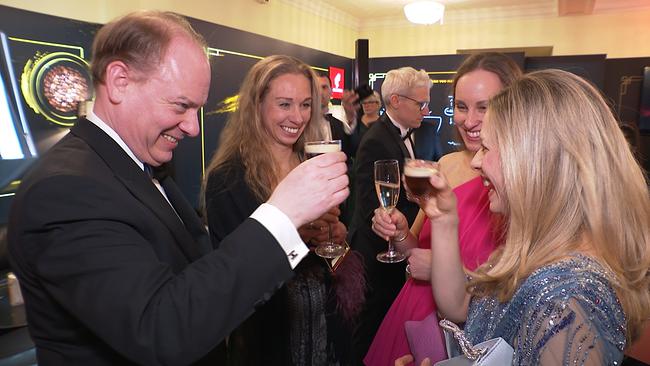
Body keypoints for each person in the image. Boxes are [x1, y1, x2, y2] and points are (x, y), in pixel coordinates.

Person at [7, 12, 349, 365]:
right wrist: (283, 216)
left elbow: (198, 279)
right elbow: (161, 330)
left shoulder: (141, 167)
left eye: (196, 109)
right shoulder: (66, 191)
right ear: (120, 80)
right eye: (181, 106)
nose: (192, 128)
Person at [425, 69, 650, 364]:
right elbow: (460, 307)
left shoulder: (567, 300)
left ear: (535, 162)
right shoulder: (538, 250)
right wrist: (444, 220)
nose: (477, 162)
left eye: (488, 148)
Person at [203, 55, 363, 365]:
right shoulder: (229, 177)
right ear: (257, 104)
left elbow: (331, 252)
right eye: (284, 104)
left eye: (305, 104)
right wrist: (297, 234)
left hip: (326, 331)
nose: (298, 116)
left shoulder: (310, 163)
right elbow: (234, 279)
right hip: (268, 340)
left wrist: (337, 238)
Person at [365, 53, 522, 365]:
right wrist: (397, 233)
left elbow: (520, 291)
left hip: (468, 328)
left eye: (484, 107)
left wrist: (442, 268)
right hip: (413, 310)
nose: (469, 120)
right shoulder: (447, 165)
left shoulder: (519, 181)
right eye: (462, 107)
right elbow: (415, 246)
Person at [350, 66, 431, 362]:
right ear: (395, 101)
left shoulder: (409, 134)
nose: (426, 109)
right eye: (420, 104)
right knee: (371, 327)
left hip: (398, 245)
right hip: (376, 253)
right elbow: (375, 205)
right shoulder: (376, 140)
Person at [350, 91, 382, 155]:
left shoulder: (383, 123)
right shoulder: (355, 122)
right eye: (364, 103)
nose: (366, 105)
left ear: (378, 104)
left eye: (370, 102)